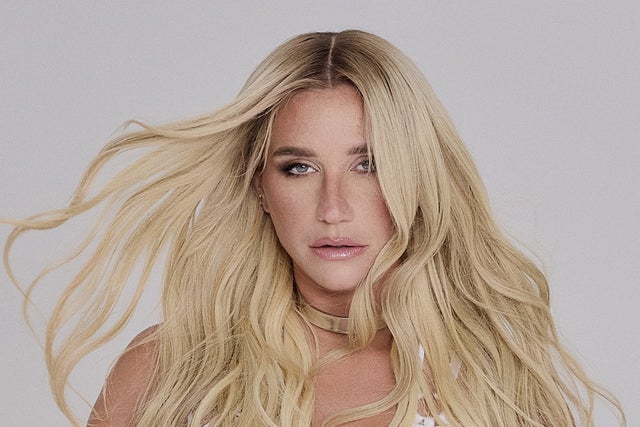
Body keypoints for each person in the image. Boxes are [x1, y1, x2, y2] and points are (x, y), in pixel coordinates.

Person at [3, 30, 625, 426]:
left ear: (418, 179)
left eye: (369, 165)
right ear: (260, 187)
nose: (334, 207)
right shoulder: (173, 369)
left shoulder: (493, 379)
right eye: (298, 168)